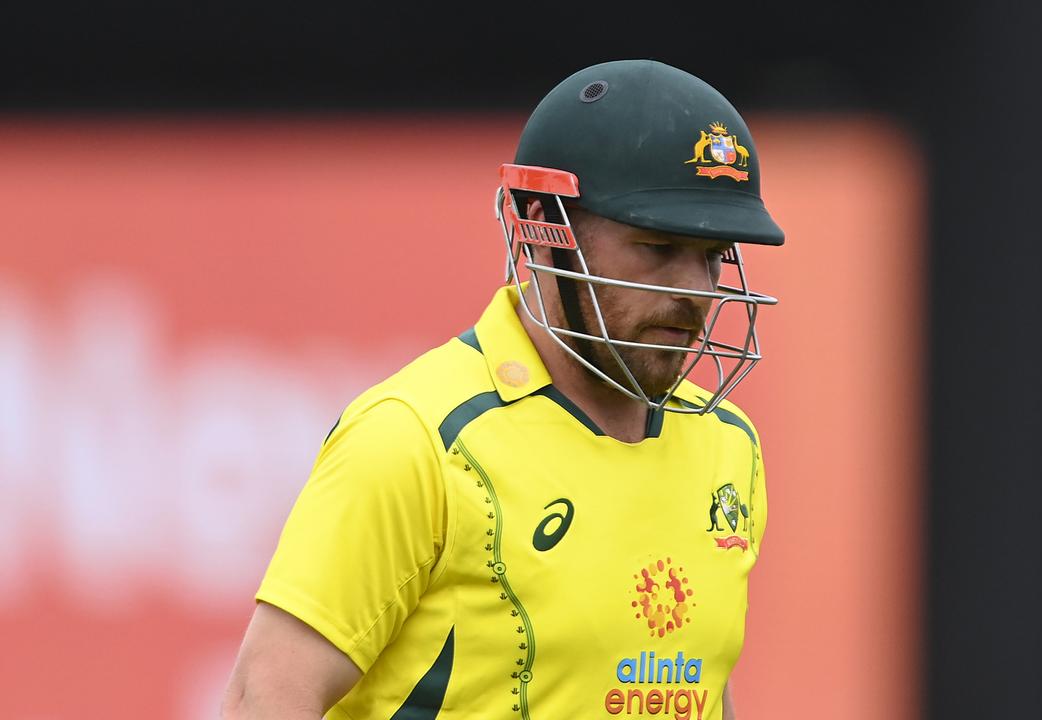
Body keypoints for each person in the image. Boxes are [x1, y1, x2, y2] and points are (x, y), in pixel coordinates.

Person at [222, 58, 784, 720]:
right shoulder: (416, 439)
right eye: (657, 247)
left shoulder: (728, 446)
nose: (693, 290)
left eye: (712, 256)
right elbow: (266, 695)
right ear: (543, 225)